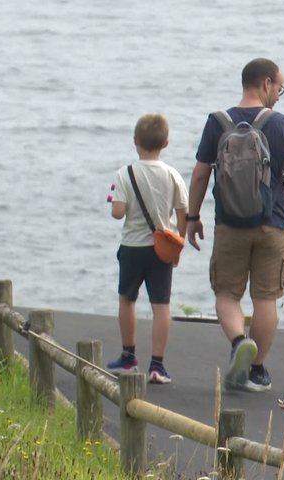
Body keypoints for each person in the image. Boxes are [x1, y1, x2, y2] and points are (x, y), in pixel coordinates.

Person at [187, 58, 284, 392]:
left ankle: (240, 341)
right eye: (279, 87)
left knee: (226, 294)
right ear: (265, 83)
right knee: (266, 298)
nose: (279, 95)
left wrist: (192, 217)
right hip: (272, 225)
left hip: (229, 224)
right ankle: (256, 371)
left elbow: (199, 175)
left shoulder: (217, 123)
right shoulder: (281, 124)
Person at [107, 113, 188, 384]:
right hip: (161, 248)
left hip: (132, 246)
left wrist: (114, 201)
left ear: (135, 141)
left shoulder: (124, 173)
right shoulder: (173, 175)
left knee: (127, 299)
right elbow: (182, 213)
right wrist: (179, 244)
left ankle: (128, 357)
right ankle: (158, 365)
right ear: (166, 143)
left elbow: (118, 213)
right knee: (160, 305)